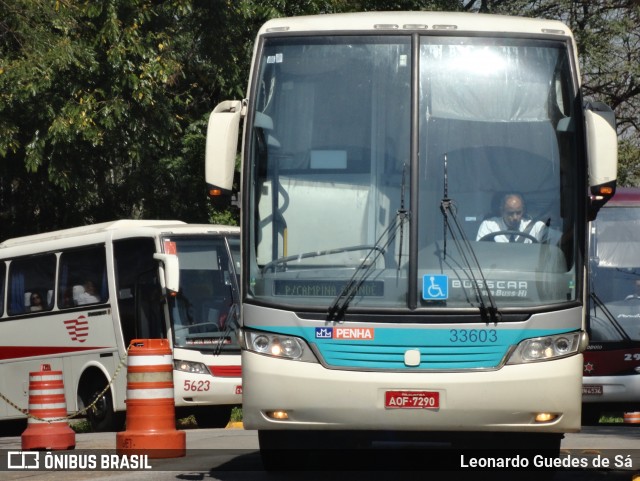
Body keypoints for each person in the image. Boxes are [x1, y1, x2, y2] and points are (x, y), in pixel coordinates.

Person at [476, 192, 547, 243]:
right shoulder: (489, 226)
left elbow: (554, 244)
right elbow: (480, 252)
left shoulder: (536, 227)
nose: (515, 217)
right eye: (510, 213)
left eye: (518, 212)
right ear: (502, 212)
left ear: (523, 211)